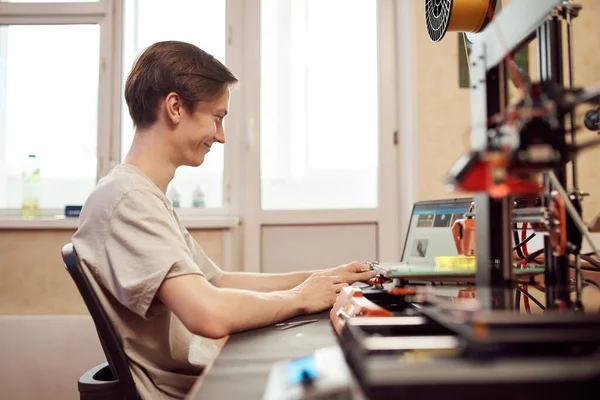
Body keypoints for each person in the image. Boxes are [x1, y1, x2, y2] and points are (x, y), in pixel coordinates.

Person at [72, 41, 377, 400]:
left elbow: (216, 281)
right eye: (217, 118)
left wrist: (318, 279)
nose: (221, 135)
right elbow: (209, 313)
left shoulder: (142, 195)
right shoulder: (127, 200)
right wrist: (299, 297)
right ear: (174, 107)